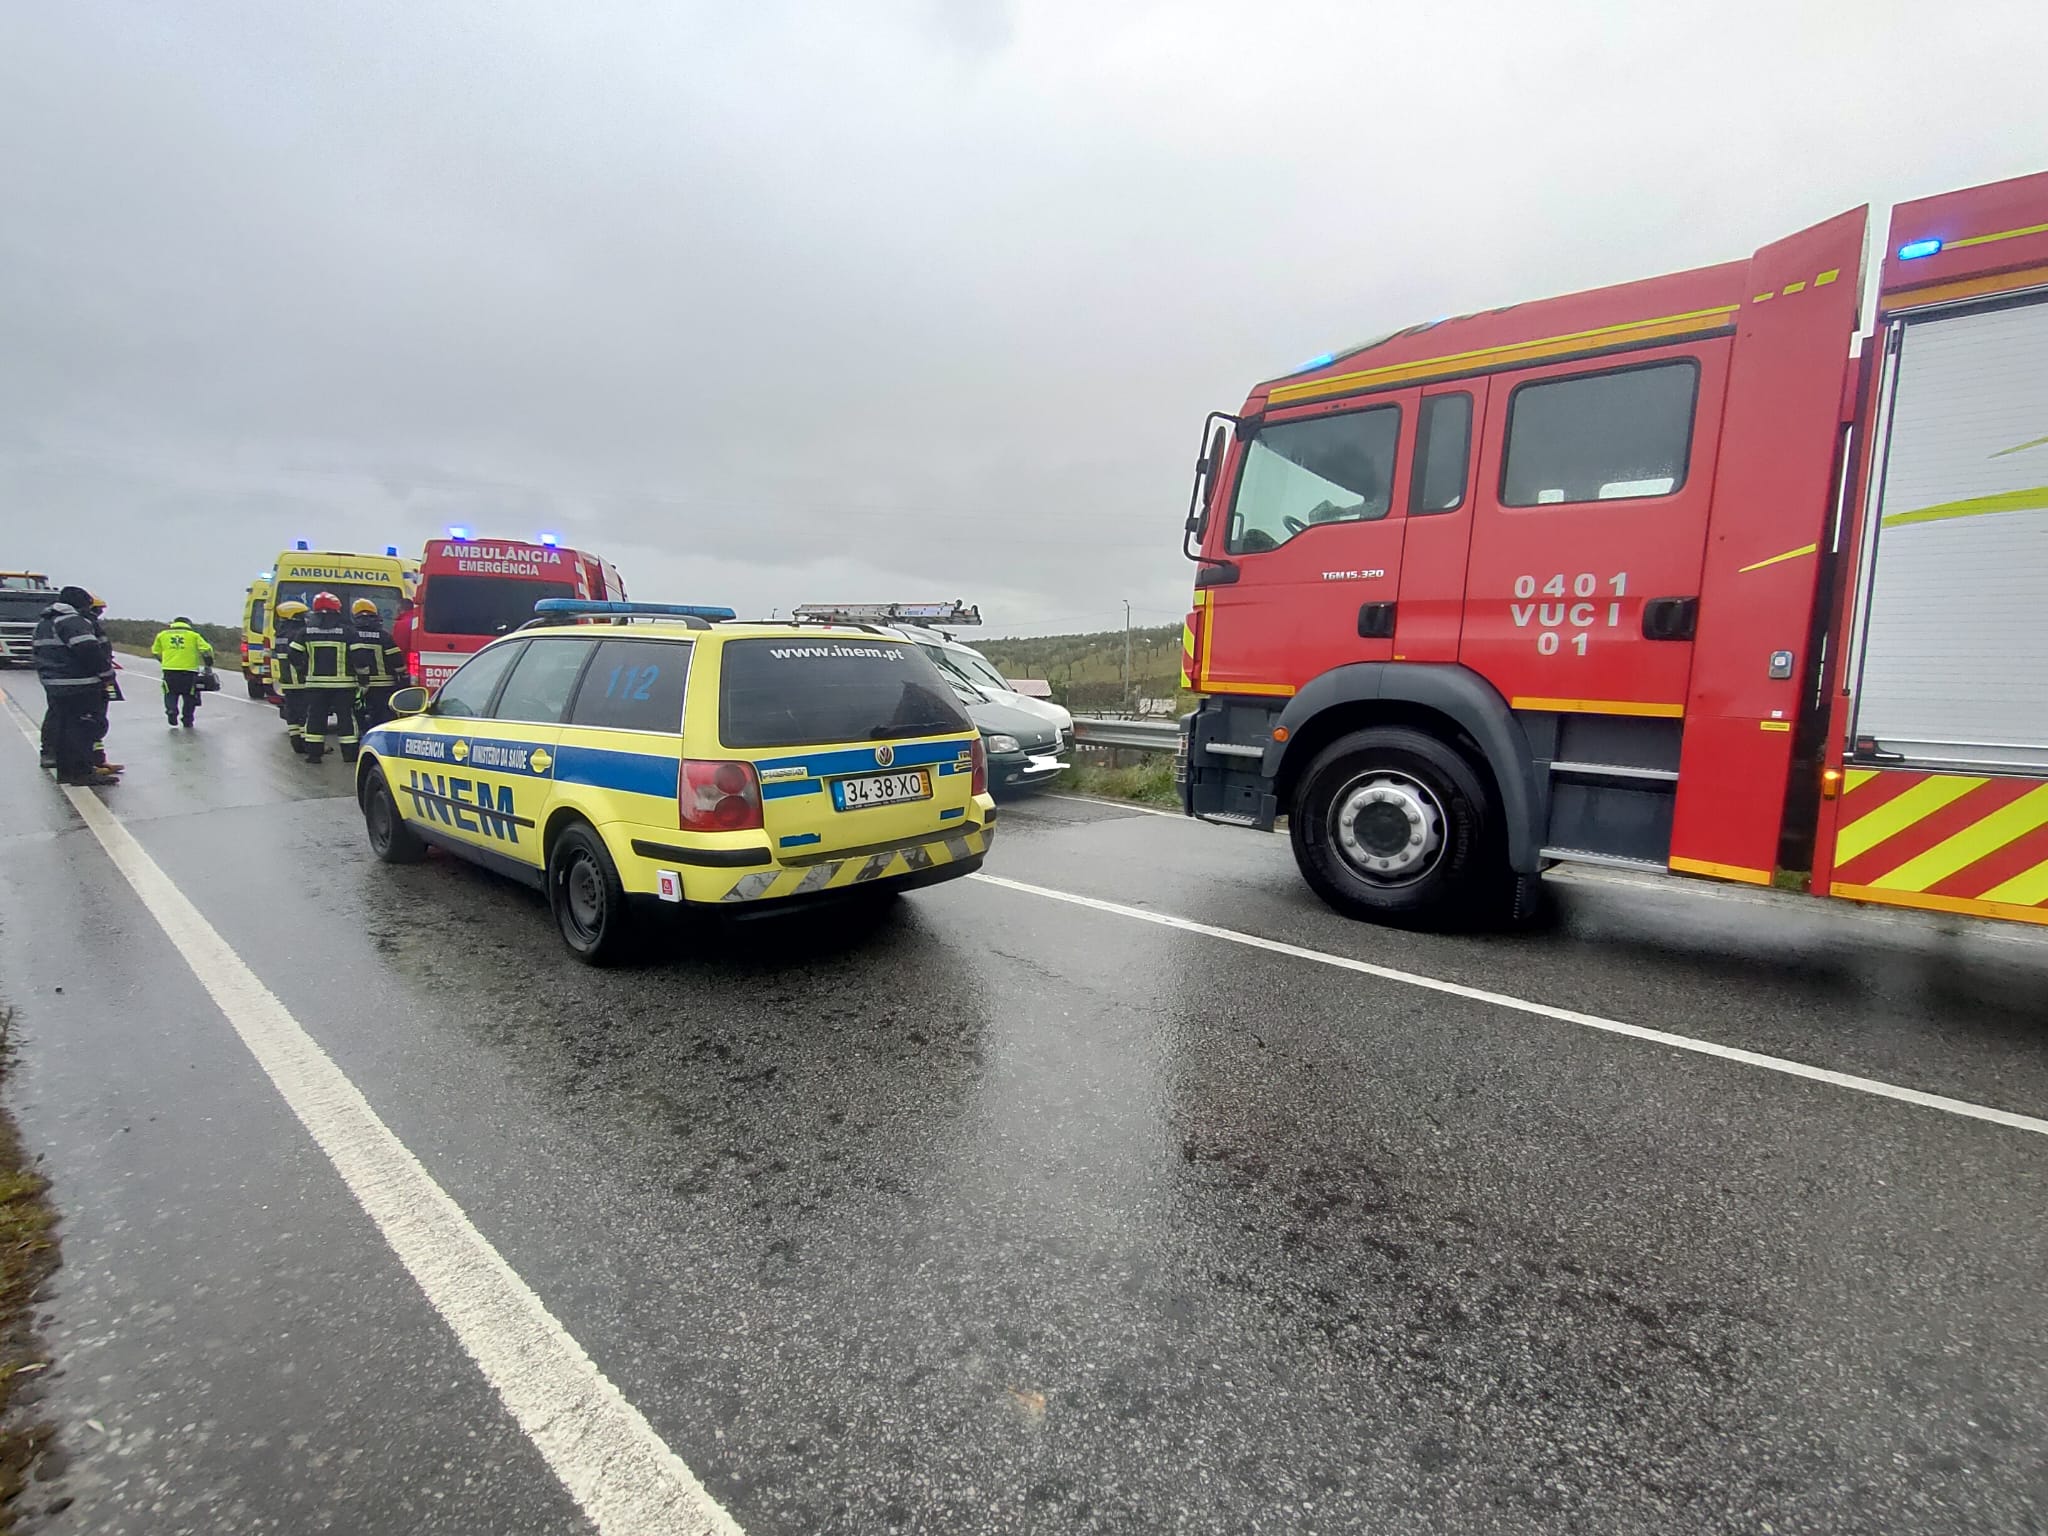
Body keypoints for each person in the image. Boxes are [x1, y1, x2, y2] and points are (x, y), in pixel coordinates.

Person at [32, 586, 119, 785]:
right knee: (83, 728)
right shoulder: (72, 621)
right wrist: (106, 674)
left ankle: (67, 772)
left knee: (63, 729)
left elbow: (37, 653)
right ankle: (82, 772)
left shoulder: (44, 623)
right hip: (80, 685)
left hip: (56, 686)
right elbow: (88, 650)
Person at [282, 592, 358, 765]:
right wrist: (362, 677)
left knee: (315, 718)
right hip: (344, 686)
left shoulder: (305, 632)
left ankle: (314, 755)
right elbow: (359, 657)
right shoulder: (347, 632)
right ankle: (349, 755)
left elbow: (292, 655)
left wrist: (303, 670)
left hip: (315, 685)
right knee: (345, 719)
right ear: (337, 610)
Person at [348, 599, 405, 734]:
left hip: (358, 686)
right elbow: (397, 661)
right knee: (382, 720)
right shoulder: (384, 636)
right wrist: (403, 679)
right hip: (383, 686)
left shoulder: (350, 635)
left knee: (358, 718)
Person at [151, 615, 215, 728]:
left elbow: (155, 651)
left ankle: (171, 710)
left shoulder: (162, 635)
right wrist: (208, 663)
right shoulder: (193, 636)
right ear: (188, 624)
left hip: (169, 670)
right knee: (190, 696)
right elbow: (206, 649)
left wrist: (163, 661)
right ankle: (187, 719)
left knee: (170, 693)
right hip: (189, 671)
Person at [271, 599, 311, 752]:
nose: (305, 618)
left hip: (287, 681)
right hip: (300, 680)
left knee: (293, 714)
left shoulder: (280, 634)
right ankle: (306, 743)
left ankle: (296, 741)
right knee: (305, 714)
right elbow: (301, 656)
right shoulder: (297, 634)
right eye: (302, 615)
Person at [390, 595, 419, 685]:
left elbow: (398, 649)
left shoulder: (401, 625)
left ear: (400, 609)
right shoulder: (419, 621)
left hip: (406, 669)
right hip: (418, 668)